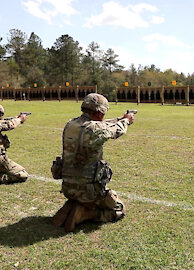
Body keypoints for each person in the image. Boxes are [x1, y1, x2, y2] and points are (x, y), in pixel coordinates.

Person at [53, 93, 135, 232]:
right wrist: (126, 120)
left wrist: (119, 118)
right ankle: (84, 214)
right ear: (99, 113)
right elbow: (117, 130)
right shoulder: (97, 129)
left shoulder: (70, 124)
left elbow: (98, 125)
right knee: (118, 209)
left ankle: (73, 204)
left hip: (68, 187)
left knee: (80, 192)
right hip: (89, 191)